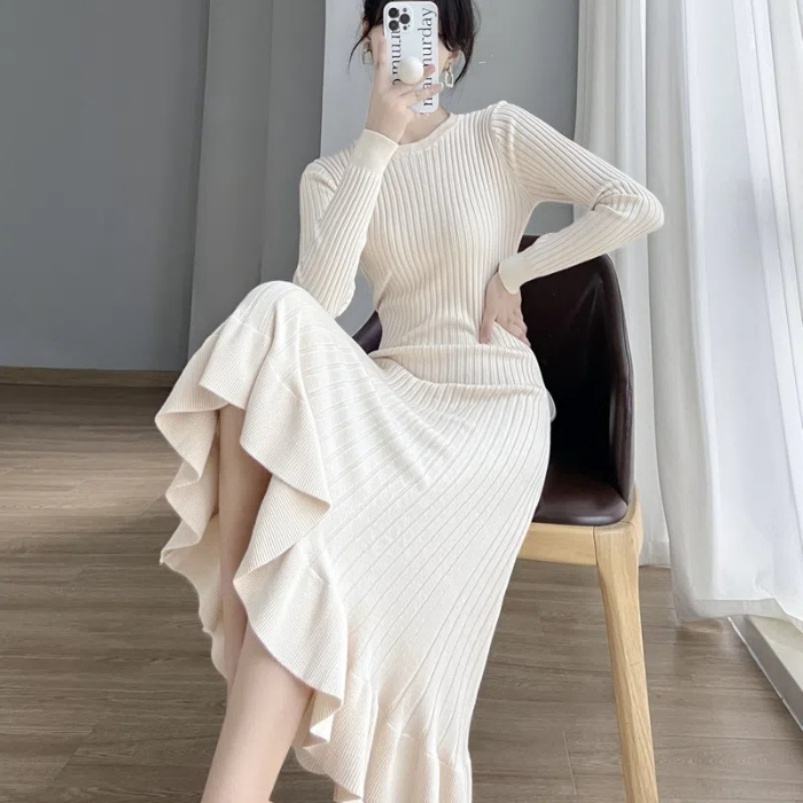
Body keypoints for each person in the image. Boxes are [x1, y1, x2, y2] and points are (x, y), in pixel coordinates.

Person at [153, 3, 665, 801]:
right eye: (389, 23)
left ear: (451, 54)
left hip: (491, 406)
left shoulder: (497, 135)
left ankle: (248, 678)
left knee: (317, 551)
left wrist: (514, 273)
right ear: (368, 38)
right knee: (271, 311)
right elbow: (319, 305)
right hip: (391, 396)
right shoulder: (331, 174)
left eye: (426, 29)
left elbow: (635, 204)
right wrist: (377, 141)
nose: (406, 44)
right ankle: (249, 610)